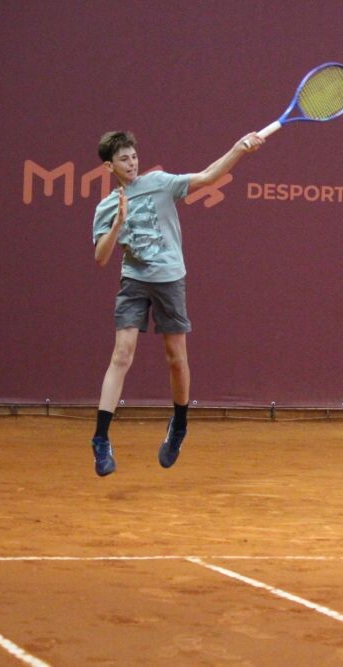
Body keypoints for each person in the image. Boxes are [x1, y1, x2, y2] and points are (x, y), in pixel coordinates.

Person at [90, 130, 264, 476]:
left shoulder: (159, 183)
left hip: (169, 280)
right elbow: (101, 257)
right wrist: (118, 223)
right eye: (124, 159)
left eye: (134, 156)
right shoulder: (107, 206)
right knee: (121, 354)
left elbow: (208, 177)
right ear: (109, 166)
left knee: (176, 358)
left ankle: (180, 424)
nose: (132, 163)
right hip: (134, 281)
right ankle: (100, 438)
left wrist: (237, 149)